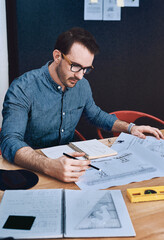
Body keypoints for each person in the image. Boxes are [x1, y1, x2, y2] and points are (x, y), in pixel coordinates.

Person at [0, 27, 163, 182]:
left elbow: (96, 115)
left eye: (86, 69)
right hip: (32, 169)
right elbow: (10, 140)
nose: (79, 76)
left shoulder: (81, 84)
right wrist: (49, 165)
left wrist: (130, 128)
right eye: (75, 66)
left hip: (71, 166)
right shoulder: (23, 88)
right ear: (57, 56)